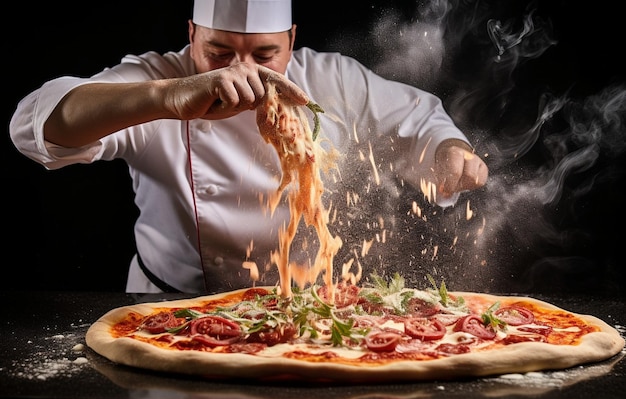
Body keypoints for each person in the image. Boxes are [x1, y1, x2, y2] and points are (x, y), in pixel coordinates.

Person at [9, 0, 488, 294]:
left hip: (302, 314)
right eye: (219, 53)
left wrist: (449, 153)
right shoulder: (157, 78)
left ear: (292, 39)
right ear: (191, 34)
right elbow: (37, 122)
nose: (245, 74)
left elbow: (421, 121)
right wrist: (168, 98)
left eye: (265, 55)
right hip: (170, 309)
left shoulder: (332, 80)